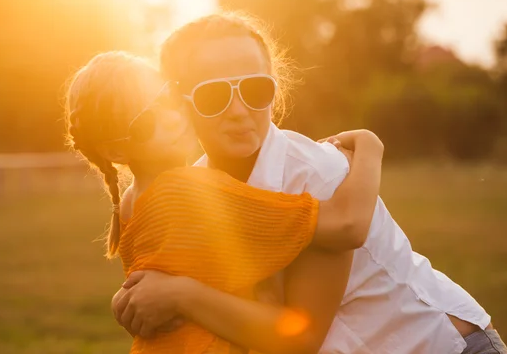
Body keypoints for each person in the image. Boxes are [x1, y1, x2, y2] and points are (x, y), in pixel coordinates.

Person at [112, 12, 507, 354]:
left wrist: (181, 295)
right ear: (180, 104)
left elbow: (300, 337)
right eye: (213, 95)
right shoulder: (192, 191)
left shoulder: (316, 176)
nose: (238, 111)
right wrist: (133, 299)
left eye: (255, 89)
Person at [66, 50, 384, 354]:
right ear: (117, 153)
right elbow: (348, 224)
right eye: (147, 124)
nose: (173, 119)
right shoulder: (186, 191)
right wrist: (370, 146)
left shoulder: (130, 205)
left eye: (166, 98)